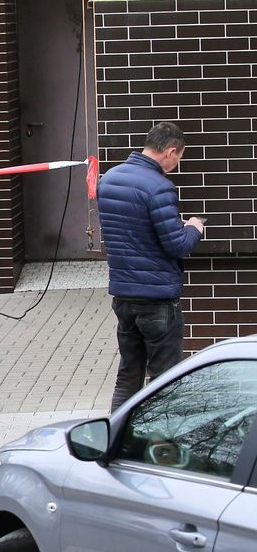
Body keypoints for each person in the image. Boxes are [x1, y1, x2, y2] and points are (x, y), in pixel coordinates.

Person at [97, 121, 205, 409]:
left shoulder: (109, 179)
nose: (177, 164)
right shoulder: (160, 187)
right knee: (164, 381)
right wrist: (193, 228)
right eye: (179, 158)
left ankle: (114, 436)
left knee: (128, 376)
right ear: (170, 151)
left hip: (123, 296)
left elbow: (129, 229)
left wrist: (172, 226)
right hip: (157, 299)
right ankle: (158, 448)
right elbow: (178, 245)